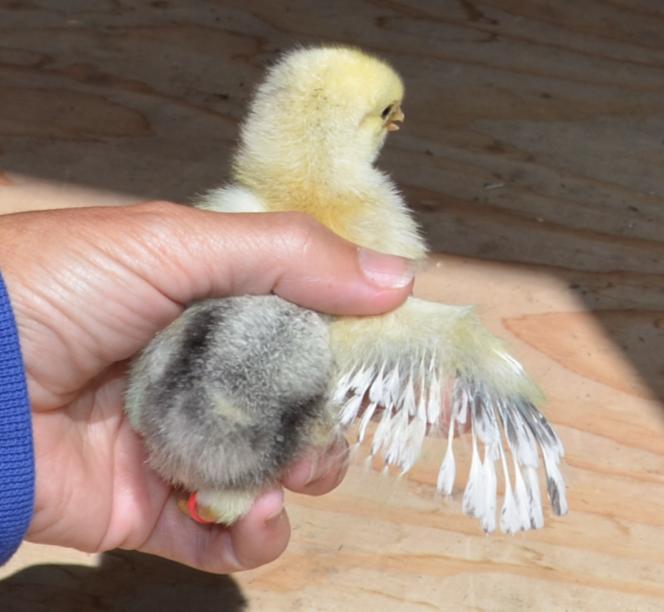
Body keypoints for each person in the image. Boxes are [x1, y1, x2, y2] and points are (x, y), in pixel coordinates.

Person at [0, 200, 414, 572]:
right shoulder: (296, 238)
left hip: (157, 423)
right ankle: (227, 490)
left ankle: (227, 488)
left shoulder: (252, 222)